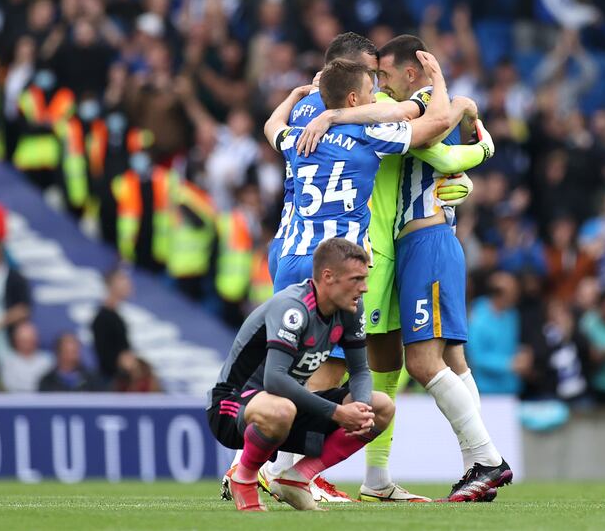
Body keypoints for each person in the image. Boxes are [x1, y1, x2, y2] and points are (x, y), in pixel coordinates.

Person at [294, 34, 497, 502]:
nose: (377, 85)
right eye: (372, 76)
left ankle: (380, 477)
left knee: (387, 365)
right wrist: (475, 150)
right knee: (336, 362)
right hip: (371, 252)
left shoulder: (350, 107)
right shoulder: (374, 109)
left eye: (381, 74)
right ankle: (286, 468)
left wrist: (456, 181)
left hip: (382, 252)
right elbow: (440, 132)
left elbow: (437, 140)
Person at [207, 238, 394, 512]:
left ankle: (297, 478)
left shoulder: (352, 308)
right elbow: (274, 380)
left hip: (286, 407)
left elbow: (360, 370)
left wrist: (360, 408)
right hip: (231, 405)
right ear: (328, 277)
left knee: (381, 408)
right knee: (281, 409)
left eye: (364, 279)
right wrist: (338, 413)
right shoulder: (293, 308)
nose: (364, 287)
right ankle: (243, 477)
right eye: (356, 279)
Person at [91, 267, 133, 383]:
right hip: (113, 384)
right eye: (123, 280)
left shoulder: (117, 315)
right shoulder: (103, 319)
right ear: (112, 285)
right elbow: (108, 358)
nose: (129, 284)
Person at [0, 321, 53, 392]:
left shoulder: (47, 360)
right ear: (16, 340)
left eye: (30, 340)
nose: (27, 344)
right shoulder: (7, 360)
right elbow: (8, 385)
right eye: (24, 340)